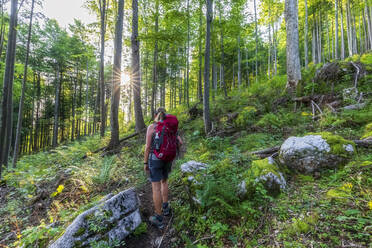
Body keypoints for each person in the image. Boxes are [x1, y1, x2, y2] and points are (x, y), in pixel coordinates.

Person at [144, 107, 183, 229]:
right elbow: (180, 142)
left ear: (156, 115)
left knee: (155, 188)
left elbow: (147, 147)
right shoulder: (171, 127)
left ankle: (158, 218)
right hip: (167, 159)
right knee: (164, 181)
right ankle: (166, 208)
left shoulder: (152, 127)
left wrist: (145, 163)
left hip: (155, 159)